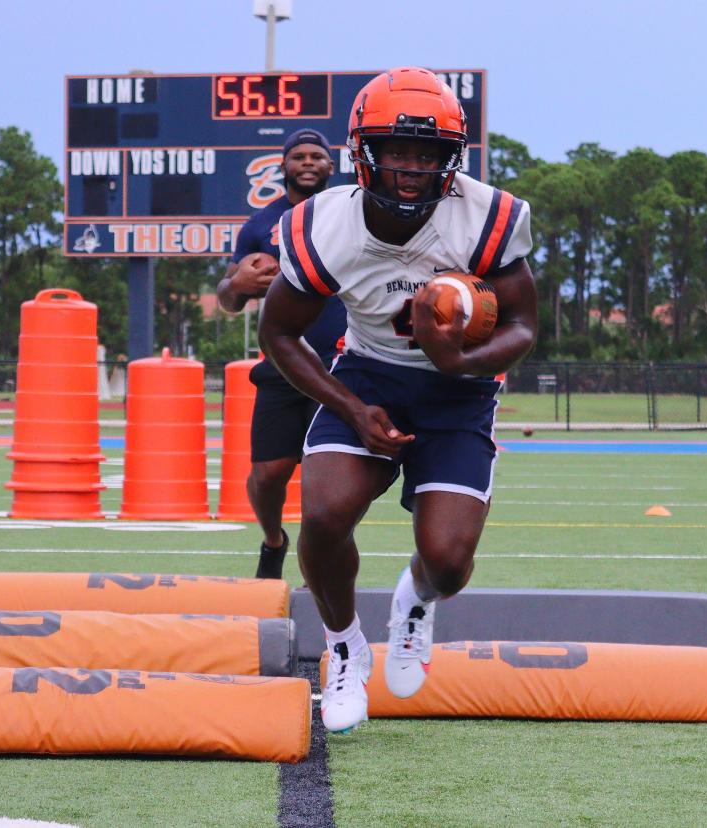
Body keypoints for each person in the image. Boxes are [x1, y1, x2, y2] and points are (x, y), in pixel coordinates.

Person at [258, 67, 537, 733]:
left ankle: (415, 601)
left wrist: (462, 358)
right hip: (369, 375)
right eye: (398, 153)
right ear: (365, 154)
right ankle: (344, 644)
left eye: (428, 155)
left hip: (459, 393)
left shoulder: (487, 216)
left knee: (447, 561)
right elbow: (278, 331)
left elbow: (525, 325)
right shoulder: (326, 224)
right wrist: (352, 409)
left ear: (451, 160)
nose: (412, 169)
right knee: (324, 514)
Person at [216, 128, 347, 580]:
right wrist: (236, 286)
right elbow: (228, 299)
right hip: (283, 363)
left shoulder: (351, 214)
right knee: (268, 475)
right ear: (284, 166)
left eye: (317, 156)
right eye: (299, 157)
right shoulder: (259, 225)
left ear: (332, 166)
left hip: (341, 365)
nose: (308, 163)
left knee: (324, 483)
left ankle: (323, 569)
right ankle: (274, 539)